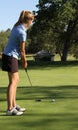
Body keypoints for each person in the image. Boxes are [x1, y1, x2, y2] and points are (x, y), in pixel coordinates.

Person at [2, 10, 34, 116]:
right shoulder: (22, 32)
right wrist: (24, 62)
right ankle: (10, 109)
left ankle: (14, 105)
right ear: (28, 20)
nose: (32, 23)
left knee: (15, 80)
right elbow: (22, 51)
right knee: (13, 82)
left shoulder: (17, 26)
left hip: (9, 56)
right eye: (32, 21)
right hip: (11, 57)